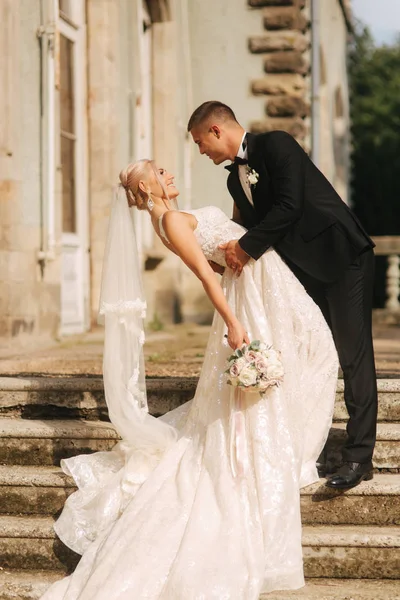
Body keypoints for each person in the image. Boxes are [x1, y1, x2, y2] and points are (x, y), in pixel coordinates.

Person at [41, 160, 338, 599]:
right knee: (317, 350)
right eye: (160, 171)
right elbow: (204, 274)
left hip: (258, 283)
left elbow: (215, 265)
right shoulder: (172, 221)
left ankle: (291, 439)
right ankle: (288, 446)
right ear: (146, 185)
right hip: (249, 298)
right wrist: (233, 322)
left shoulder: (169, 221)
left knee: (315, 351)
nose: (170, 172)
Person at [188, 101, 378, 491]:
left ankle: (359, 457)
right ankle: (308, 445)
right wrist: (222, 260)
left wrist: (244, 249)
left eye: (200, 142)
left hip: (342, 259)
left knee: (352, 355)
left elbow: (289, 207)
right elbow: (239, 230)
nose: (200, 151)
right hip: (300, 273)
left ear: (216, 130)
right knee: (306, 350)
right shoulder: (231, 181)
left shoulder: (276, 145)